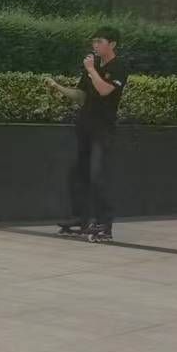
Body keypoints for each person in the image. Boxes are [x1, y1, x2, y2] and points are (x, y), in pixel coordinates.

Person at [47, 26, 128, 243]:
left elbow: (104, 90)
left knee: (99, 175)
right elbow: (81, 95)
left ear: (112, 44)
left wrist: (91, 69)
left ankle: (104, 224)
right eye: (94, 41)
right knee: (78, 173)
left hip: (104, 129)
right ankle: (80, 219)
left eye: (100, 41)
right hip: (85, 126)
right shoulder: (91, 67)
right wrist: (59, 87)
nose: (95, 45)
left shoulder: (119, 66)